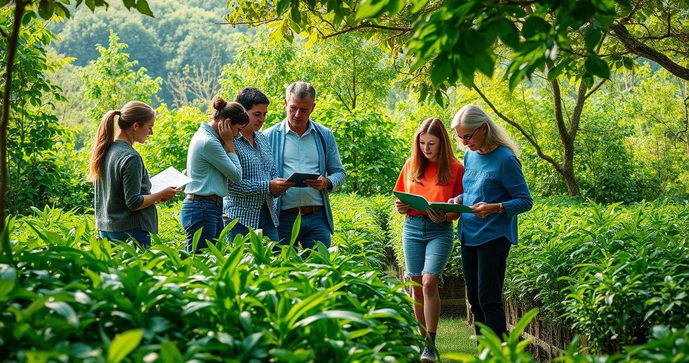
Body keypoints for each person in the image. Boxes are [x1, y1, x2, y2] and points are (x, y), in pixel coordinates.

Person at [449, 105, 533, 340]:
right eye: (460, 137)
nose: (464, 142)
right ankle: (485, 352)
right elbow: (473, 192)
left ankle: (500, 354)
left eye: (467, 136)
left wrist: (494, 208)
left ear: (483, 128)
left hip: (494, 236)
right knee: (475, 300)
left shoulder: (506, 159)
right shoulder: (470, 155)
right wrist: (459, 199)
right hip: (468, 234)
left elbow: (525, 201)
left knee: (489, 299)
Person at [394, 118, 464, 363]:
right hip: (412, 228)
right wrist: (401, 206)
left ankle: (431, 344)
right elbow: (400, 203)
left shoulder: (456, 168)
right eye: (422, 143)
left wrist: (444, 214)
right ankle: (422, 342)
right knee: (415, 284)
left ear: (442, 143)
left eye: (431, 143)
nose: (426, 148)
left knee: (429, 281)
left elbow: (459, 210)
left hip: (440, 230)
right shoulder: (411, 165)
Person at [264, 81, 346, 250]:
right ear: (285, 104)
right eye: (293, 108)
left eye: (304, 110)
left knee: (321, 270)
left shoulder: (324, 135)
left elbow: (339, 172)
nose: (297, 114)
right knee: (283, 271)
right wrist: (272, 186)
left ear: (313, 108)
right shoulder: (268, 136)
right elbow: (260, 176)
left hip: (317, 217)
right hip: (282, 217)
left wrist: (326, 182)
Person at [89, 101, 178, 247]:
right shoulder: (131, 157)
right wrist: (161, 194)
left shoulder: (105, 150)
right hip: (131, 232)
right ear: (135, 126)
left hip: (106, 229)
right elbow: (134, 202)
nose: (151, 133)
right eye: (149, 127)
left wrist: (153, 196)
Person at [223, 88, 293, 242]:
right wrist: (267, 186)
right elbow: (230, 185)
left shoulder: (262, 138)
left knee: (274, 262)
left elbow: (272, 172)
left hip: (268, 216)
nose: (262, 119)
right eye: (257, 114)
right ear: (242, 112)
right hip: (239, 219)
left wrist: (279, 186)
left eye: (264, 114)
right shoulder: (230, 141)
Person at [181, 96, 249, 252]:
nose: (238, 135)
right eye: (238, 129)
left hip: (208, 207)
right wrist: (230, 144)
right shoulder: (209, 142)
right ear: (226, 123)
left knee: (210, 262)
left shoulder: (209, 137)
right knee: (201, 262)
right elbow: (237, 176)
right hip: (203, 207)